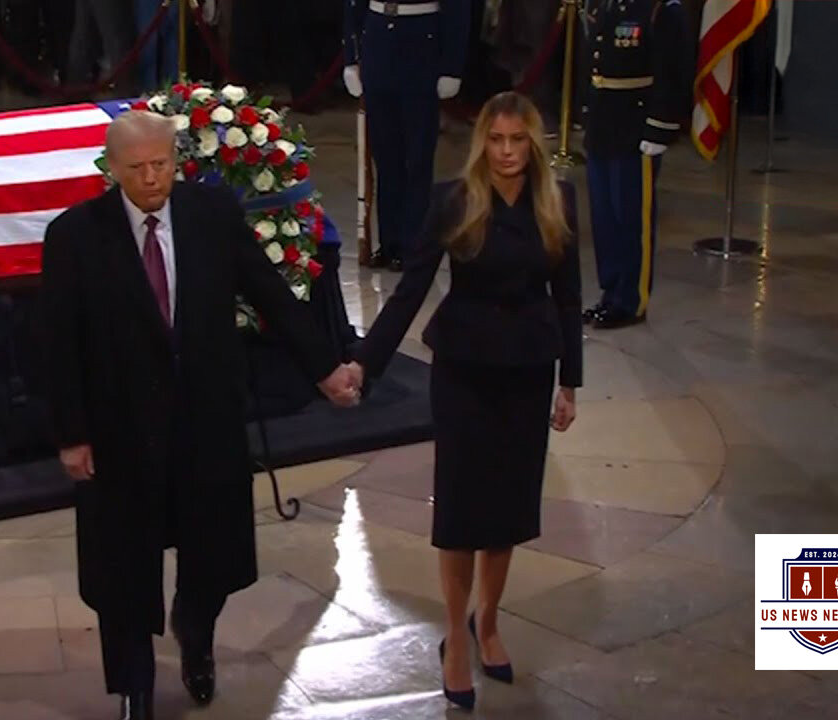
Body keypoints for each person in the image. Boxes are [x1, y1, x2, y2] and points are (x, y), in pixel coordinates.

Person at [40, 110, 360, 720]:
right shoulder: (76, 236)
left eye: (161, 163)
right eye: (137, 169)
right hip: (120, 429)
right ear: (113, 170)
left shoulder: (211, 217)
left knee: (211, 550)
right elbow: (59, 343)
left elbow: (268, 293)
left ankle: (197, 635)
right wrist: (71, 435)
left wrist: (325, 368)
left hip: (205, 420)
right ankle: (134, 684)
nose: (152, 177)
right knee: (124, 568)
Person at [346, 91, 581, 710]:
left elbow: (567, 298)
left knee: (506, 509)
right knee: (460, 511)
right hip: (465, 371)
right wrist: (364, 363)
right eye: (496, 141)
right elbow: (409, 291)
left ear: (533, 144)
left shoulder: (558, 202)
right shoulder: (453, 200)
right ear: (483, 142)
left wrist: (570, 382)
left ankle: (489, 620)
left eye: (518, 141)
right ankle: (454, 635)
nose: (506, 153)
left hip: (529, 370)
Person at [582, 0, 689, 329]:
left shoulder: (660, 8)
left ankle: (631, 300)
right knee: (604, 217)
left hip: (634, 125)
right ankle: (610, 291)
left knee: (632, 217)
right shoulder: (605, 4)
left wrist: (660, 126)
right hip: (603, 123)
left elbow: (674, 70)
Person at [343, 0, 471, 271]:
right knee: (385, 155)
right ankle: (389, 242)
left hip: (421, 41)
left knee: (418, 157)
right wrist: (351, 57)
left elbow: (458, 7)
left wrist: (452, 65)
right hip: (377, 37)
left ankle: (414, 243)